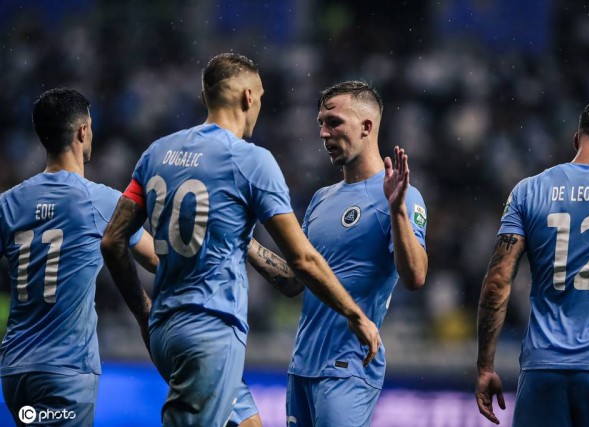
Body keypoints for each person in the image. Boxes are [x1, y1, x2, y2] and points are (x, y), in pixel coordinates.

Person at [100, 53, 381, 427]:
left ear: (204, 97)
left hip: (165, 329)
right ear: (249, 97)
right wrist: (354, 314)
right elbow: (302, 259)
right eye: (261, 98)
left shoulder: (157, 153)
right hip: (209, 331)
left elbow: (113, 240)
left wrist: (142, 311)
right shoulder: (250, 161)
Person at [247, 80, 429, 426]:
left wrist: (398, 212)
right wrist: (245, 241)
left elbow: (415, 277)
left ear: (366, 127)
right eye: (321, 124)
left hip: (348, 367)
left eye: (334, 123)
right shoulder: (321, 198)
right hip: (302, 367)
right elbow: (294, 281)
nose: (323, 133)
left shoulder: (400, 195)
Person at [476, 99, 589, 426]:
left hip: (543, 366)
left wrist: (485, 366)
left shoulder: (528, 192)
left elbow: (497, 282)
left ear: (577, 139)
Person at [0, 88, 157, 427]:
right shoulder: (100, 201)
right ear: (82, 131)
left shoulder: (8, 203)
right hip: (65, 371)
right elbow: (157, 260)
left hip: (15, 371)